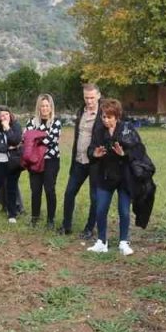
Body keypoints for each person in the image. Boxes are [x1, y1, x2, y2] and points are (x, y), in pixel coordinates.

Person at [87, 98, 145, 256]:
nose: (106, 120)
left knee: (124, 211)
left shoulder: (127, 129)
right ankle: (101, 242)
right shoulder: (99, 131)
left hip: (124, 177)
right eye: (103, 117)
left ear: (117, 116)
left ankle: (123, 242)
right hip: (105, 176)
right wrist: (95, 154)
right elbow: (90, 150)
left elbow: (139, 151)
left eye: (109, 117)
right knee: (100, 209)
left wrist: (124, 154)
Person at [60, 84, 102, 238]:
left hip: (96, 163)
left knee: (94, 197)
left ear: (98, 96)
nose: (89, 101)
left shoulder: (103, 113)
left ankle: (90, 228)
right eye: (86, 97)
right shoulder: (80, 111)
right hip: (79, 160)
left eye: (92, 97)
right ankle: (66, 225)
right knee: (69, 193)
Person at [24, 93, 63, 228]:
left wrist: (36, 137)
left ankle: (50, 220)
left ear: (51, 107)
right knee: (35, 190)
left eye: (47, 106)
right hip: (34, 160)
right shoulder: (31, 122)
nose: (45, 108)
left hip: (51, 160)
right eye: (42, 106)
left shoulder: (56, 122)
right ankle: (35, 217)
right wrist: (42, 137)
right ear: (38, 108)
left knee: (49, 189)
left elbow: (52, 141)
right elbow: (28, 139)